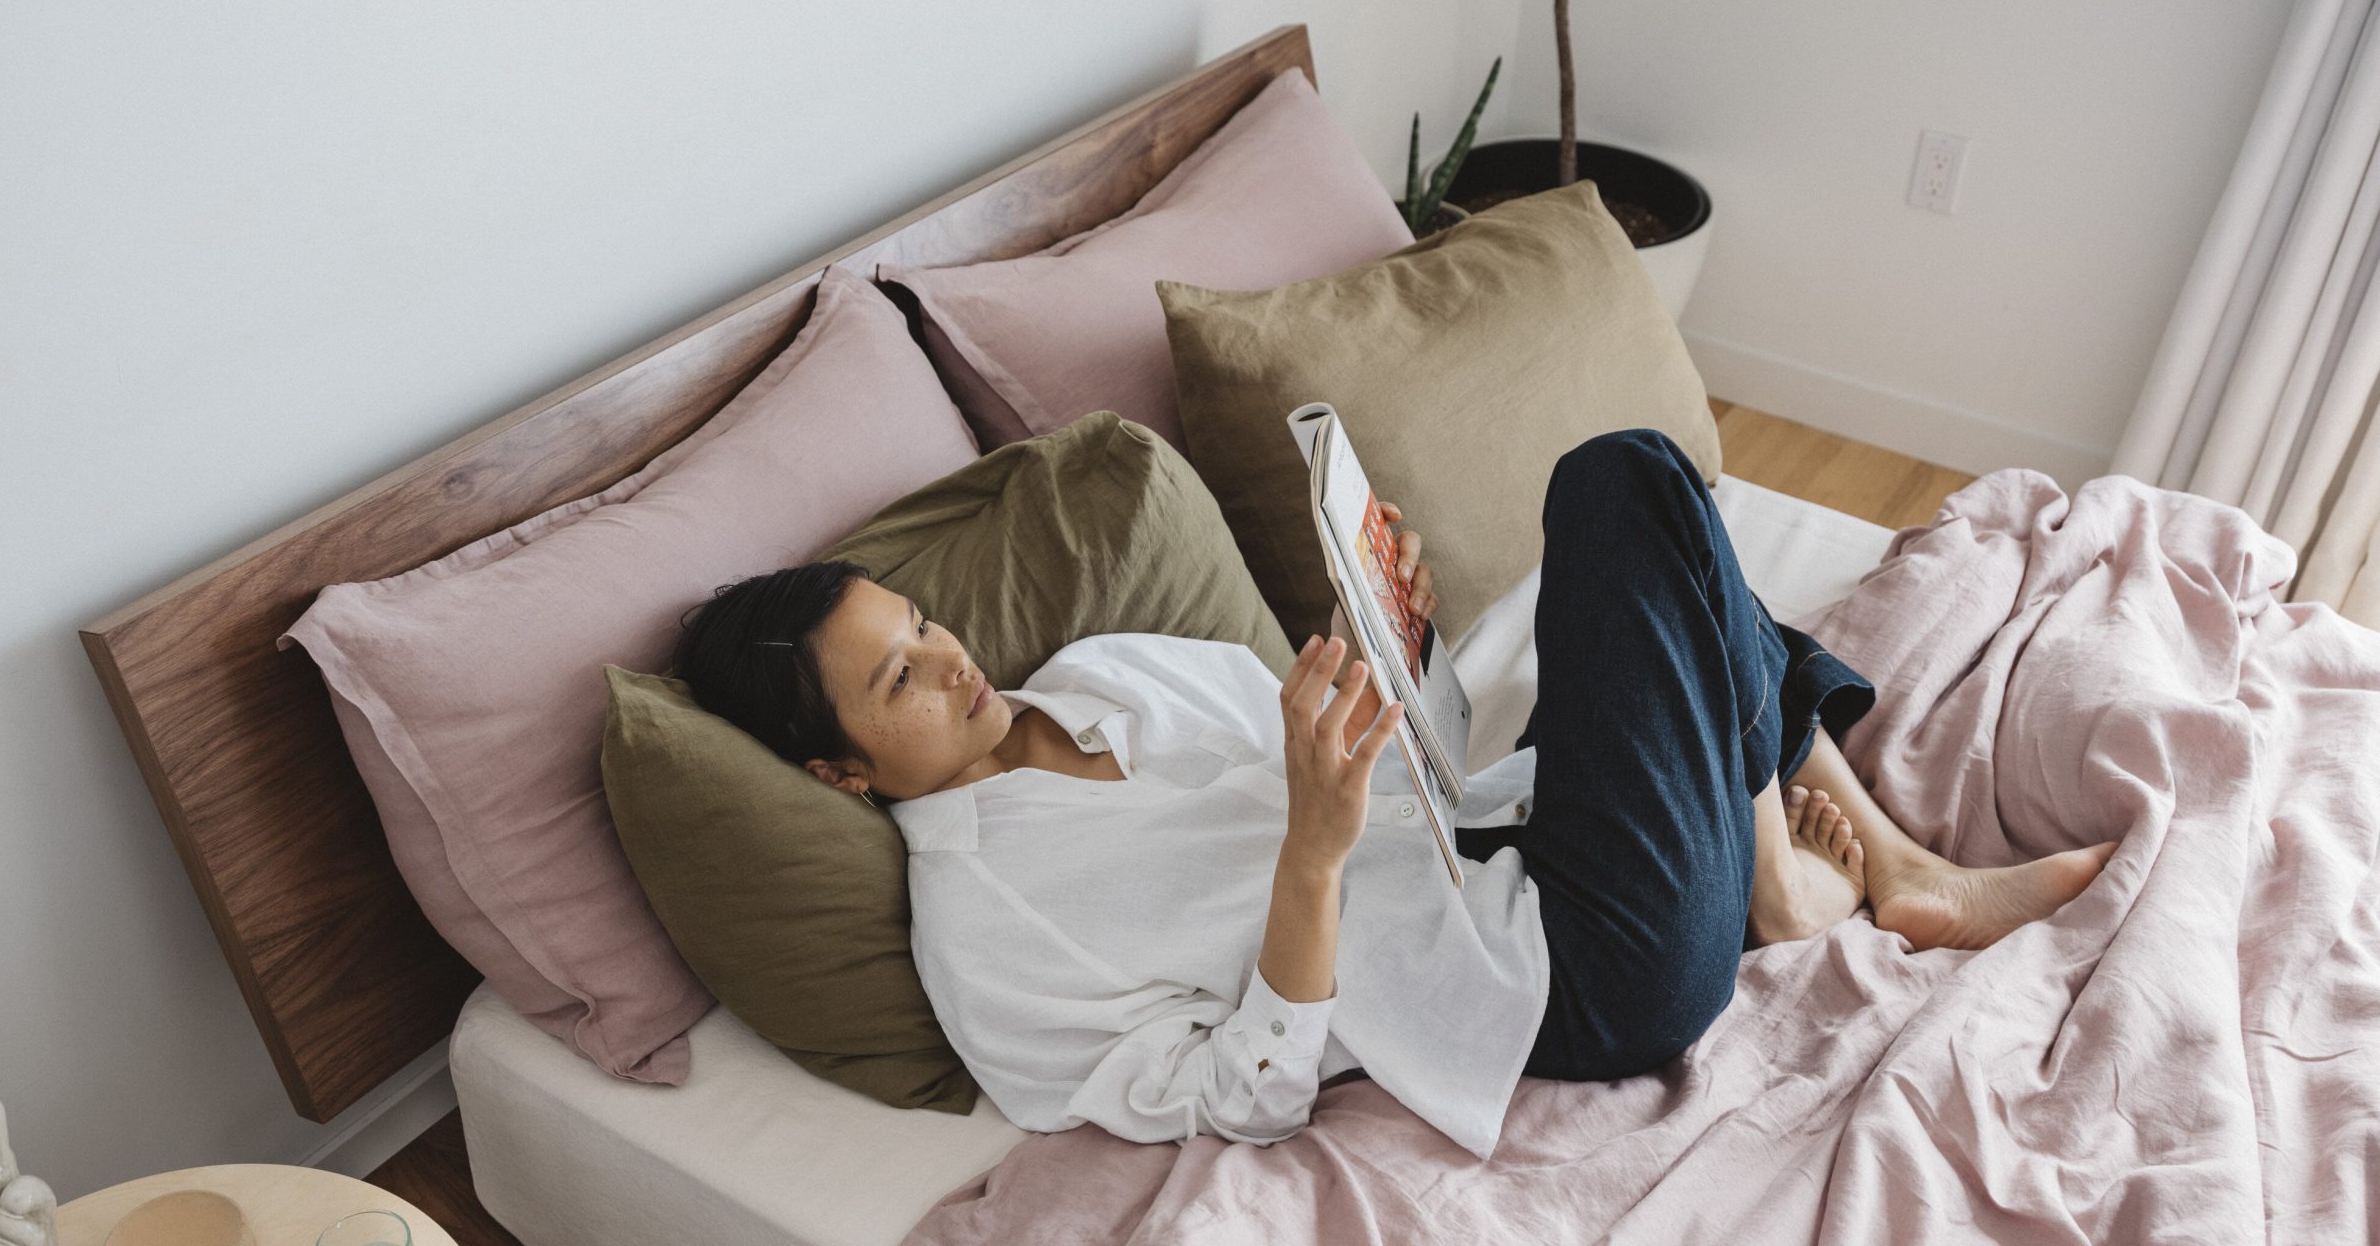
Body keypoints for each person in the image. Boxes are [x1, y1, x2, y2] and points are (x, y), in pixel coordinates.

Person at [675, 430, 2113, 1157]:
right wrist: (1307, 857)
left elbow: (1415, 773)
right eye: (898, 685)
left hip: (1517, 838)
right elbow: (1242, 1100)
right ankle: (1801, 871)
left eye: (921, 628)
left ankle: (1875, 865)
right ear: (838, 774)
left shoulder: (1107, 669)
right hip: (1568, 982)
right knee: (1622, 488)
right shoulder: (984, 934)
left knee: (1663, 566)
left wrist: (1401, 643)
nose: (950, 665)